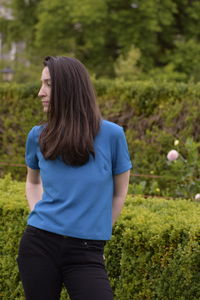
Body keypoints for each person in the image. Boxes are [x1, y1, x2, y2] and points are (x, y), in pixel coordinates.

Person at [17, 56, 132, 300]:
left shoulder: (112, 135)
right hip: (38, 244)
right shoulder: (38, 136)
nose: (40, 92)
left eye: (48, 84)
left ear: (69, 88)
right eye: (41, 84)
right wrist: (39, 215)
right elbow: (32, 182)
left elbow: (119, 193)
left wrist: (97, 235)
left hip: (86, 252)